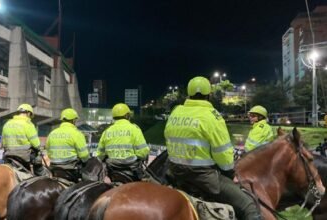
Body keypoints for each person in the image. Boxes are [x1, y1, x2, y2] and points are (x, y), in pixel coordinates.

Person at [164, 76, 262, 220]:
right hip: (203, 177)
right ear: (209, 95)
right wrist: (229, 172)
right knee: (250, 205)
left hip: (175, 173)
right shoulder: (213, 117)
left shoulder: (175, 112)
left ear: (189, 94)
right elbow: (224, 157)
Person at [96, 103, 150, 182]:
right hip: (131, 170)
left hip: (113, 171)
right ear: (127, 115)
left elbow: (100, 155)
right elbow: (143, 152)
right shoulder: (134, 129)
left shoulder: (107, 131)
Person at [45, 108, 89, 181]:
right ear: (74, 120)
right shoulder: (77, 133)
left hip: (54, 168)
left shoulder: (52, 133)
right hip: (70, 169)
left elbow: (48, 153)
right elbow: (84, 155)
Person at [2, 103, 45, 176]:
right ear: (28, 113)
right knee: (39, 164)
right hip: (24, 156)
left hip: (8, 155)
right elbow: (36, 144)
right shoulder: (28, 124)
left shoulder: (7, 124)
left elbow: (3, 143)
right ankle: (40, 177)